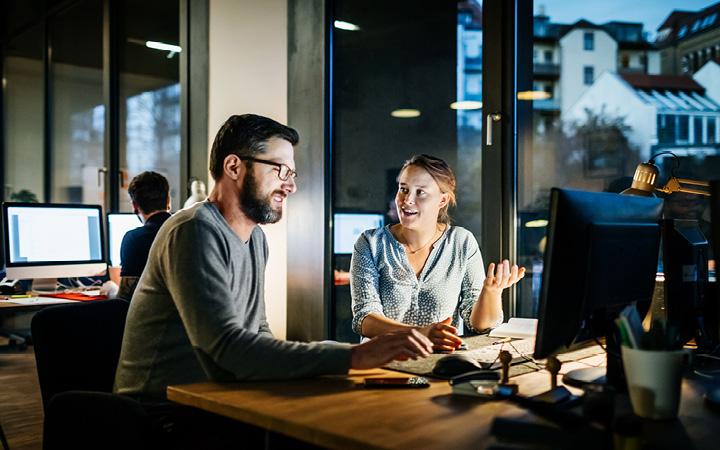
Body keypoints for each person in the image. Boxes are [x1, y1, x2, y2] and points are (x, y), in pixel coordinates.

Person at [114, 114, 432, 401]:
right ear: (234, 167)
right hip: (160, 412)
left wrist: (353, 356)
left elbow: (258, 333)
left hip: (221, 400)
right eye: (280, 170)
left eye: (292, 173)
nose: (291, 186)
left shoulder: (255, 239)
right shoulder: (193, 230)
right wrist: (352, 357)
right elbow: (229, 351)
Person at [351, 154, 525, 352]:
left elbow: (479, 324)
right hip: (381, 365)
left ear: (442, 200)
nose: (408, 200)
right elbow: (364, 318)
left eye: (421, 193)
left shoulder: (461, 242)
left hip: (441, 365)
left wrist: (491, 293)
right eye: (403, 189)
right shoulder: (370, 243)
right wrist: (420, 335)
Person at [116, 171, 172, 301]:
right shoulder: (186, 230)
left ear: (135, 206)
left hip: (151, 317)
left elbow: (126, 299)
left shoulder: (134, 239)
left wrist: (111, 290)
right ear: (168, 201)